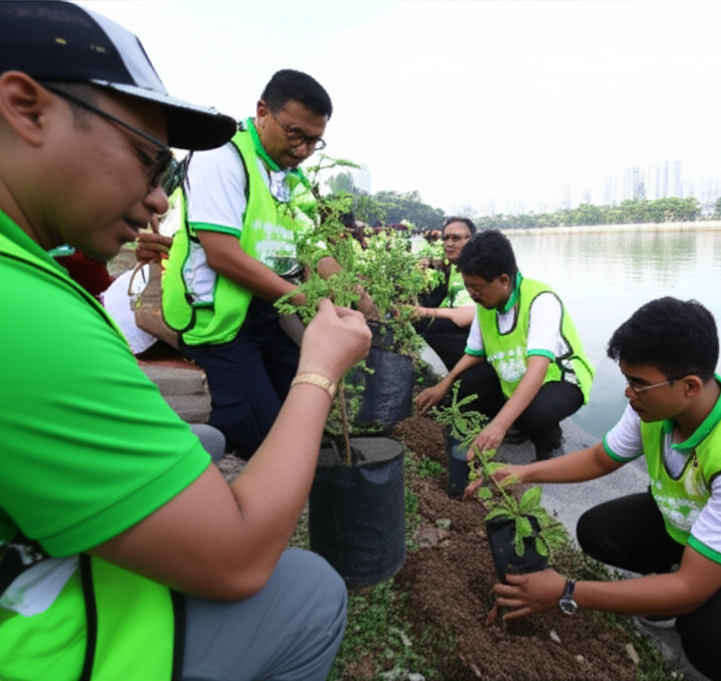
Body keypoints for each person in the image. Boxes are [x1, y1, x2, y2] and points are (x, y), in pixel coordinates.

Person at [0, 4, 372, 680]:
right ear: (26, 108)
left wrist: (344, 287)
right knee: (308, 579)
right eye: (148, 161)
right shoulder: (24, 313)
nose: (159, 201)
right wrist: (319, 368)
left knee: (203, 443)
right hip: (217, 319)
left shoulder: (31, 277)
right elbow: (238, 560)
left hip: (254, 313)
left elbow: (310, 252)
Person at [475, 297, 721, 681]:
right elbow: (599, 459)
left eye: (639, 385)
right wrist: (522, 474)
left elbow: (691, 588)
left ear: (690, 386)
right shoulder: (654, 407)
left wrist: (568, 590)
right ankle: (685, 573)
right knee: (597, 532)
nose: (629, 394)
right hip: (697, 521)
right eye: (628, 381)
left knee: (714, 644)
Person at [162, 68, 334, 459]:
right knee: (265, 434)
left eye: (314, 141)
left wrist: (351, 292)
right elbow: (222, 255)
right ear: (262, 111)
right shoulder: (221, 154)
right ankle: (200, 456)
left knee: (307, 398)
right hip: (219, 317)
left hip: (264, 307)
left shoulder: (289, 174)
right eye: (296, 135)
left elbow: (314, 246)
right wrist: (308, 301)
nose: (305, 150)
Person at [414, 230, 594, 460]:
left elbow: (537, 371)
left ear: (504, 280)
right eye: (468, 286)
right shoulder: (484, 306)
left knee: (536, 413)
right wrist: (445, 384)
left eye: (477, 287)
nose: (471, 294)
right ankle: (517, 421)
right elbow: (474, 353)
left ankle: (550, 444)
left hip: (558, 379)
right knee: (464, 384)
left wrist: (499, 425)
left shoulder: (540, 300)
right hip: (516, 373)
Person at [411, 216, 477, 370]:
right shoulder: (454, 267)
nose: (449, 244)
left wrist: (422, 312)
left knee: (425, 326)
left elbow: (471, 316)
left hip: (471, 332)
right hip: (456, 323)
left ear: (471, 239)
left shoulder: (477, 269)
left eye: (456, 238)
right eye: (446, 238)